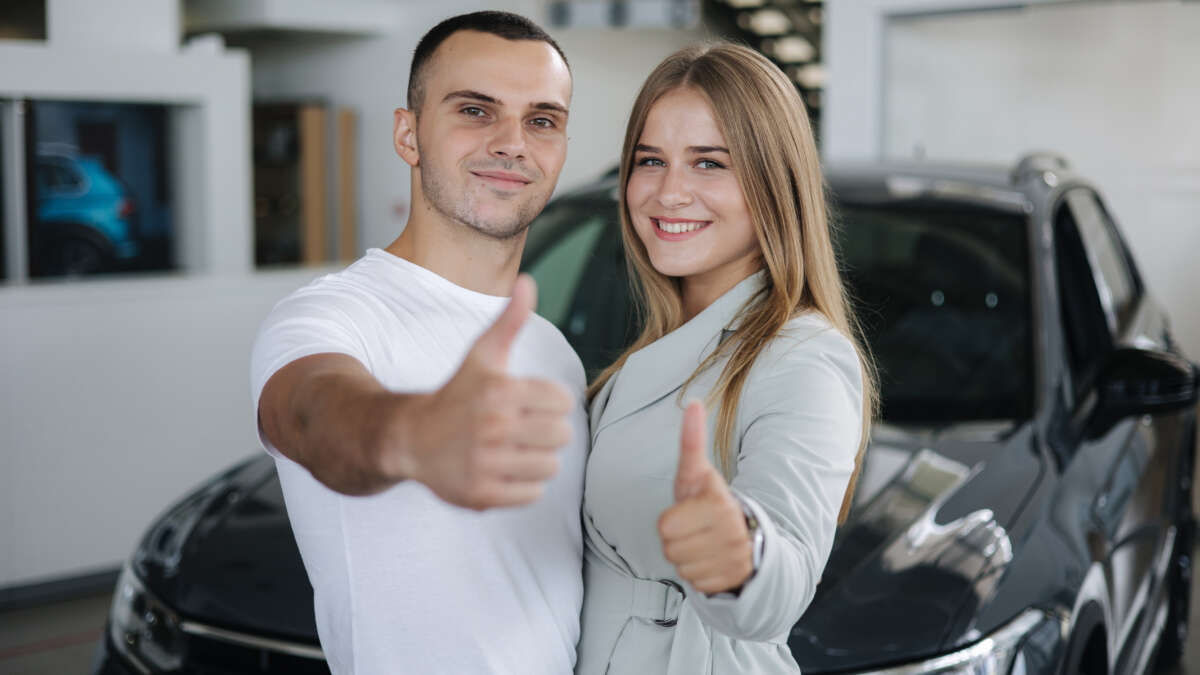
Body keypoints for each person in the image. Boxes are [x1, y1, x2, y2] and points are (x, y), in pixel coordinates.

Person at [250, 12, 586, 675]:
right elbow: (314, 412)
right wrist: (412, 433)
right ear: (409, 133)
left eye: (542, 119)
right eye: (476, 110)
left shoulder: (556, 354)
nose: (513, 143)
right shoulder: (330, 315)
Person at [575, 43, 878, 674]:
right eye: (649, 160)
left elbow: (784, 575)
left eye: (709, 163)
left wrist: (740, 556)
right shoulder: (654, 349)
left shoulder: (803, 358)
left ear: (774, 183)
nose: (669, 192)